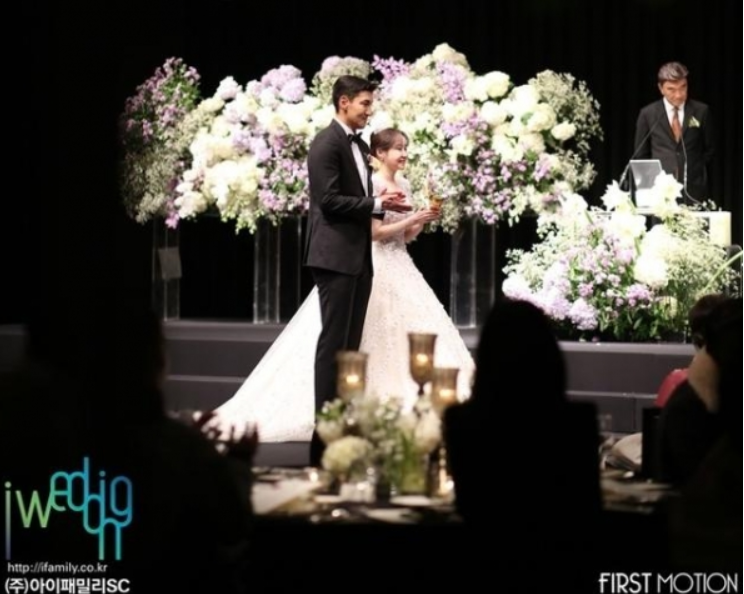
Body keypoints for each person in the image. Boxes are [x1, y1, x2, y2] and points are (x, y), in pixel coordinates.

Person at [214, 128, 475, 450]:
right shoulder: (372, 184)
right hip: (371, 263)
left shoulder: (404, 185)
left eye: (405, 148)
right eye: (398, 148)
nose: (404, 154)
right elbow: (375, 234)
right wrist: (410, 220)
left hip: (400, 264)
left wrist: (421, 220)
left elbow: (404, 238)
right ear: (380, 154)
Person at [304, 75, 410, 463]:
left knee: (350, 349)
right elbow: (329, 200)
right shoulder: (325, 143)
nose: (369, 110)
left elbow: (358, 195)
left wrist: (383, 202)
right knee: (333, 346)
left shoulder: (362, 145)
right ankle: (323, 433)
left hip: (358, 256)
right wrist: (378, 206)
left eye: (370, 103)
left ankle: (344, 428)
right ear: (344, 102)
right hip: (333, 256)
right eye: (364, 103)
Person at [633, 61, 715, 203]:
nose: (678, 95)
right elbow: (641, 155)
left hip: (693, 190)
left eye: (683, 87)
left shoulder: (701, 111)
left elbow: (710, 150)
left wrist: (695, 168)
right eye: (671, 89)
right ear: (661, 88)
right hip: (659, 193)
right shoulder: (648, 114)